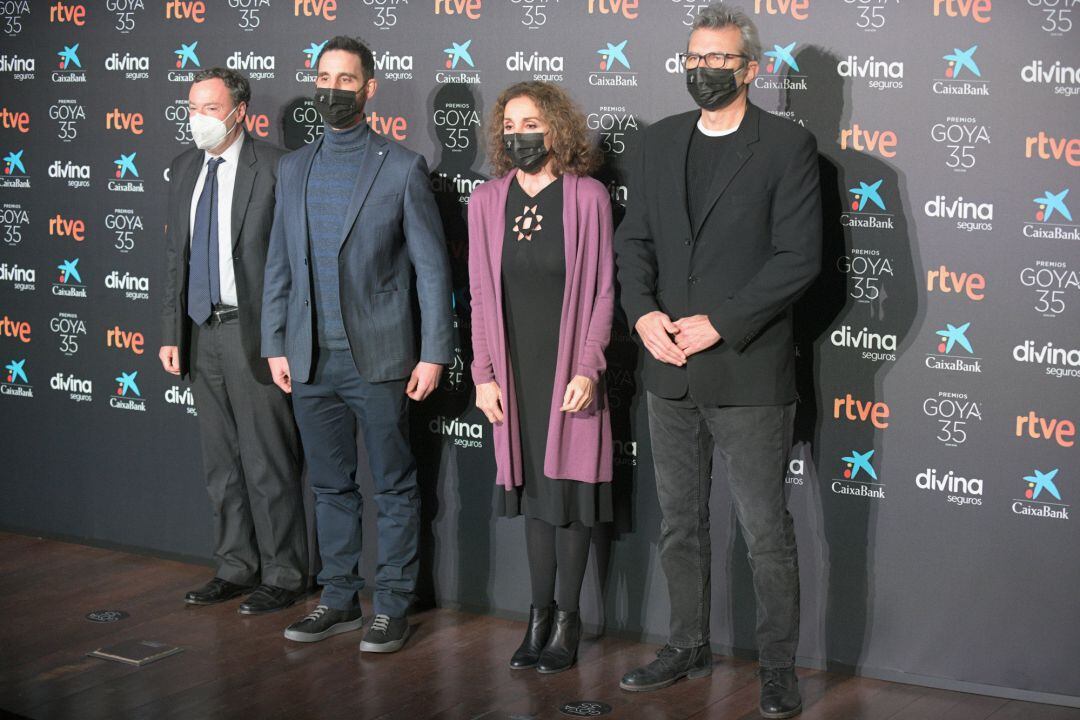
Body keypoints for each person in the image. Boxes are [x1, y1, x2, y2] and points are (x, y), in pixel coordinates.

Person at [614, 4, 821, 718]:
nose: (703, 71)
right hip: (667, 371)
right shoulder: (659, 141)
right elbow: (633, 241)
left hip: (749, 371)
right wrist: (641, 314)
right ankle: (686, 644)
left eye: (719, 61)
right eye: (694, 59)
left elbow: (799, 258)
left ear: (750, 68)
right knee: (679, 521)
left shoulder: (787, 146)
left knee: (765, 531)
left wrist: (721, 324)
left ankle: (776, 668)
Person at [261, 36, 453, 653]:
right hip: (308, 359)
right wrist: (275, 343)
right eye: (324, 77)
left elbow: (431, 270)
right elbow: (279, 265)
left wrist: (433, 352)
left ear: (370, 88)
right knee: (328, 486)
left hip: (381, 358)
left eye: (347, 79)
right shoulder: (291, 168)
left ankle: (391, 604)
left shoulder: (400, 167)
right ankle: (338, 598)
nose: (333, 89)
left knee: (395, 486)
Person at [468, 81, 615, 675]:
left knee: (571, 497)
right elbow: (479, 295)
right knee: (533, 496)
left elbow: (605, 289)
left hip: (569, 370)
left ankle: (568, 621)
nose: (518, 134)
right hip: (514, 371)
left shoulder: (587, 197)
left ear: (555, 128)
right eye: (510, 125)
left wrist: (588, 366)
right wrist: (483, 374)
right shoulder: (485, 201)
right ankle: (537, 615)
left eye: (530, 123)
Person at [159, 67, 308, 615]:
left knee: (270, 459)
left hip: (256, 334)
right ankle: (236, 565)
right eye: (193, 107)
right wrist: (172, 332)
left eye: (210, 107)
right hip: (201, 333)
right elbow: (177, 258)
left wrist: (280, 338)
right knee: (220, 462)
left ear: (240, 110)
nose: (198, 118)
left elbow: (292, 260)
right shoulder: (181, 170)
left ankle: (286, 572)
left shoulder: (274, 167)